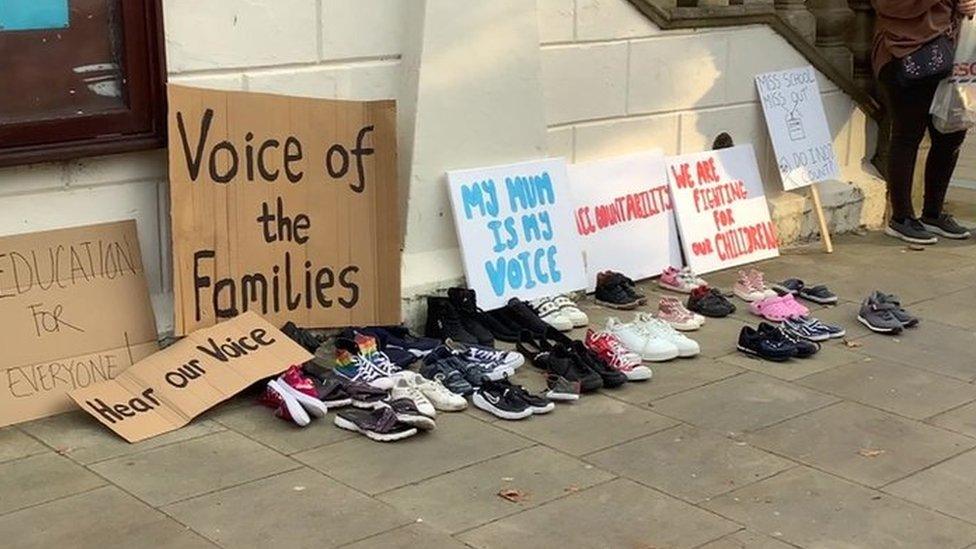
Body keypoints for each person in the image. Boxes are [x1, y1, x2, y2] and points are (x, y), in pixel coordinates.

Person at [874, 0, 976, 244]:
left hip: (951, 49)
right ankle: (901, 217)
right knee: (908, 134)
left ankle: (933, 212)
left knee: (951, 133)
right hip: (903, 49)